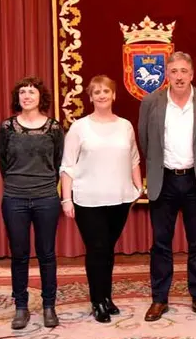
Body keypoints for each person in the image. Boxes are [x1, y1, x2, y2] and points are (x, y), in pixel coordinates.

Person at [138, 51, 196, 322]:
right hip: (163, 180)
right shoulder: (151, 102)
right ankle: (159, 299)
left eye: (183, 71)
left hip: (195, 180)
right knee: (161, 243)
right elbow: (145, 140)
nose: (178, 76)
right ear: (167, 75)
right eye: (173, 71)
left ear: (192, 74)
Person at [60, 75, 142, 323]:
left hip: (119, 198)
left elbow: (134, 159)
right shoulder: (79, 127)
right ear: (91, 97)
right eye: (97, 92)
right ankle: (97, 301)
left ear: (114, 95)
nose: (102, 95)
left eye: (106, 91)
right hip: (88, 200)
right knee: (96, 249)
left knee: (108, 250)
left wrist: (137, 187)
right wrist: (66, 199)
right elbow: (68, 165)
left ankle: (107, 297)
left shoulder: (125, 125)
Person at [0, 76, 64, 329]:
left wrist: (43, 183)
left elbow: (59, 161)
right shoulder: (6, 127)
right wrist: (18, 183)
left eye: (32, 92)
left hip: (46, 197)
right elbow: (3, 162)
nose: (27, 96)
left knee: (47, 254)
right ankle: (21, 307)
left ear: (40, 97)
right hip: (14, 198)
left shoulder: (54, 128)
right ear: (18, 98)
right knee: (19, 255)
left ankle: (49, 306)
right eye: (22, 92)